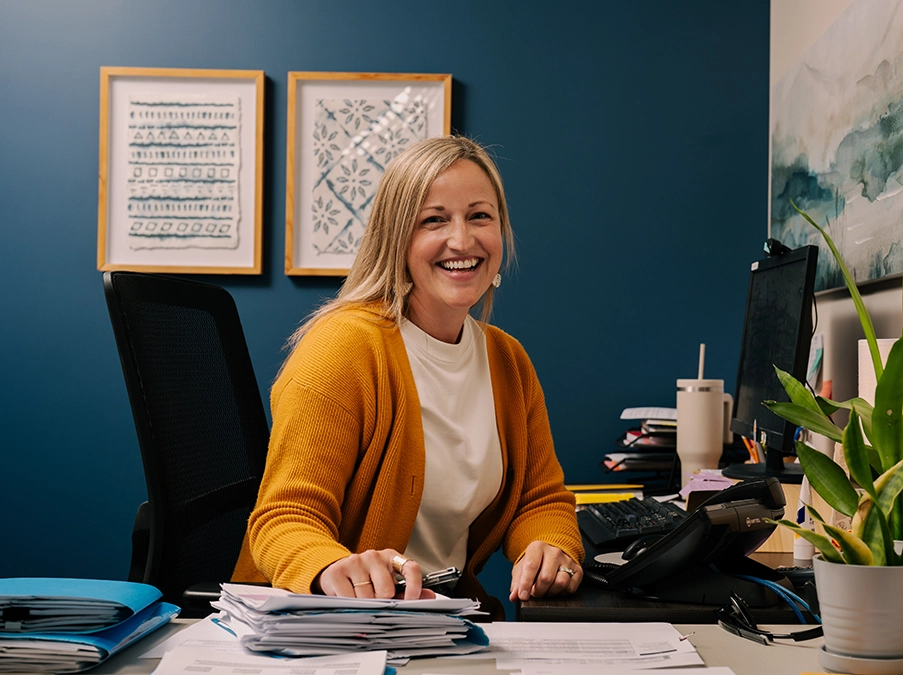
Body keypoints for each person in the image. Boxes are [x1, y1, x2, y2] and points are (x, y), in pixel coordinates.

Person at [232, 136, 583, 619]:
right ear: (396, 237)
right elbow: (284, 518)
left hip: (442, 622)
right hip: (328, 628)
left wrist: (548, 546)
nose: (462, 240)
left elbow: (539, 498)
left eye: (480, 216)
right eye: (433, 220)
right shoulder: (342, 348)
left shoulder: (507, 360)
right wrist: (333, 566)